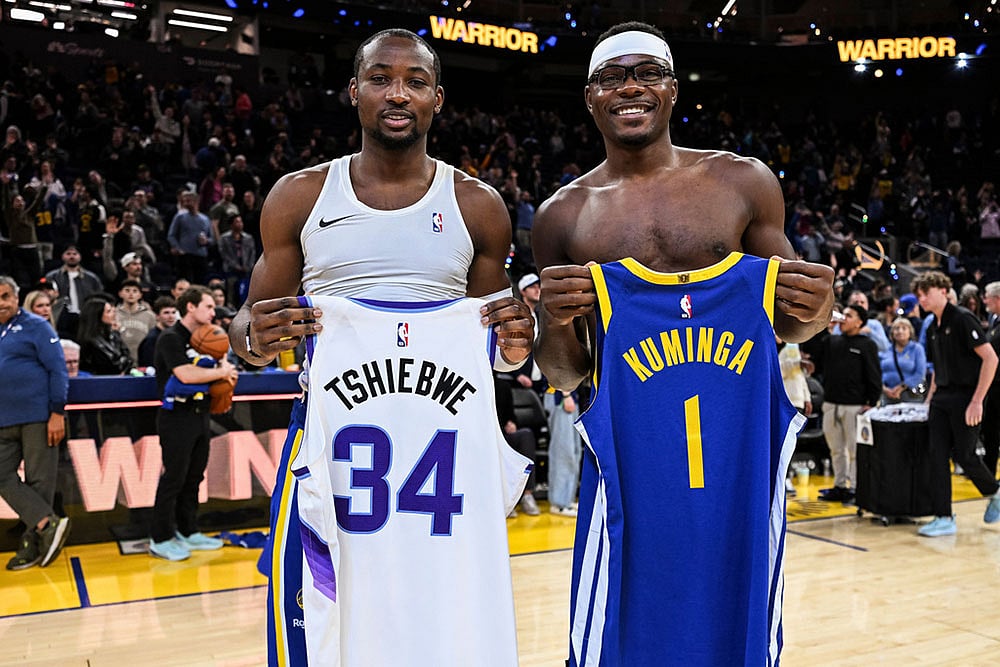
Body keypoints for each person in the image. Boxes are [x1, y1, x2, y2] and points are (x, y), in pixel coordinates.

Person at [530, 22, 834, 666]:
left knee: (741, 633)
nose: (630, 89)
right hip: (630, 465)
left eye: (646, 74)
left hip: (736, 461)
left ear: (673, 89)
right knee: (613, 634)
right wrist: (554, 324)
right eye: (612, 78)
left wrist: (818, 313)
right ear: (590, 97)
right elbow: (564, 375)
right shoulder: (564, 213)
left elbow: (791, 322)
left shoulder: (743, 182)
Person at [228, 29, 534, 667]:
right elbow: (246, 333)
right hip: (330, 447)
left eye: (415, 81)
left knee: (444, 625)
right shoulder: (300, 197)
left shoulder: (478, 207)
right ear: (354, 92)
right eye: (380, 78)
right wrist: (254, 337)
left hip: (442, 459)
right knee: (312, 618)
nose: (398, 93)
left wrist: (514, 345)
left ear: (438, 99)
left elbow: (500, 348)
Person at [149, 285, 238, 561]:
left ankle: (188, 531)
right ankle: (160, 538)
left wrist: (225, 374)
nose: (213, 312)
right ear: (190, 307)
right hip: (176, 416)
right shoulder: (171, 337)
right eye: (208, 306)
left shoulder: (208, 337)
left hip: (201, 414)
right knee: (174, 477)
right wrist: (222, 371)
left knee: (194, 476)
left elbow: (222, 372)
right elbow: (185, 375)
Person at [913, 271, 1000, 537]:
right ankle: (943, 516)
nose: (921, 299)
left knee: (966, 455)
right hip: (941, 399)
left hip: (965, 397)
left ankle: (994, 492)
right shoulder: (932, 325)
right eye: (919, 295)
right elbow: (938, 368)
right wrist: (929, 400)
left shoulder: (962, 318)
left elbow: (990, 359)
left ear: (942, 290)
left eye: (925, 293)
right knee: (936, 456)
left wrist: (977, 401)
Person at [0, 275, 71, 570]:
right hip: (3, 418)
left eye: (5, 296)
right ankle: (47, 523)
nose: (0, 303)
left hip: (38, 416)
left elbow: (58, 370)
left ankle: (31, 545)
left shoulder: (37, 326)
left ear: (17, 298)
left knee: (39, 482)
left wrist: (57, 413)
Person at [817, 304, 882, 502]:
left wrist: (872, 402)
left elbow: (874, 375)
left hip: (855, 406)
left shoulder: (866, 344)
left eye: (849, 315)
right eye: (843, 314)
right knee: (835, 449)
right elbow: (816, 354)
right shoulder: (832, 340)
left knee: (855, 450)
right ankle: (839, 485)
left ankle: (855, 488)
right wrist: (826, 324)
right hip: (831, 403)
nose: (844, 318)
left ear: (860, 322)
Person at [77, 297, 134, 375]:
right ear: (97, 315)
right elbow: (112, 366)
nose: (113, 314)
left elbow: (129, 359)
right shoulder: (90, 342)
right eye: (108, 311)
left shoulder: (113, 335)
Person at [879, 317, 927, 404]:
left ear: (910, 332)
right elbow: (877, 372)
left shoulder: (917, 349)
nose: (900, 331)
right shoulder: (886, 349)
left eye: (904, 328)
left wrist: (901, 388)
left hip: (910, 395)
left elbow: (920, 373)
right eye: (897, 328)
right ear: (892, 333)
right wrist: (884, 389)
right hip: (887, 395)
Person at [983, 281, 1000, 479]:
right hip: (993, 386)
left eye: (987, 296)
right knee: (990, 432)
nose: (984, 300)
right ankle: (988, 473)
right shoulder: (993, 321)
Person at [137, 296, 178, 368]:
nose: (171, 316)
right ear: (157, 316)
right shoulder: (151, 339)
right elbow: (149, 367)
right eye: (166, 313)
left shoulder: (175, 336)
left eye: (173, 312)